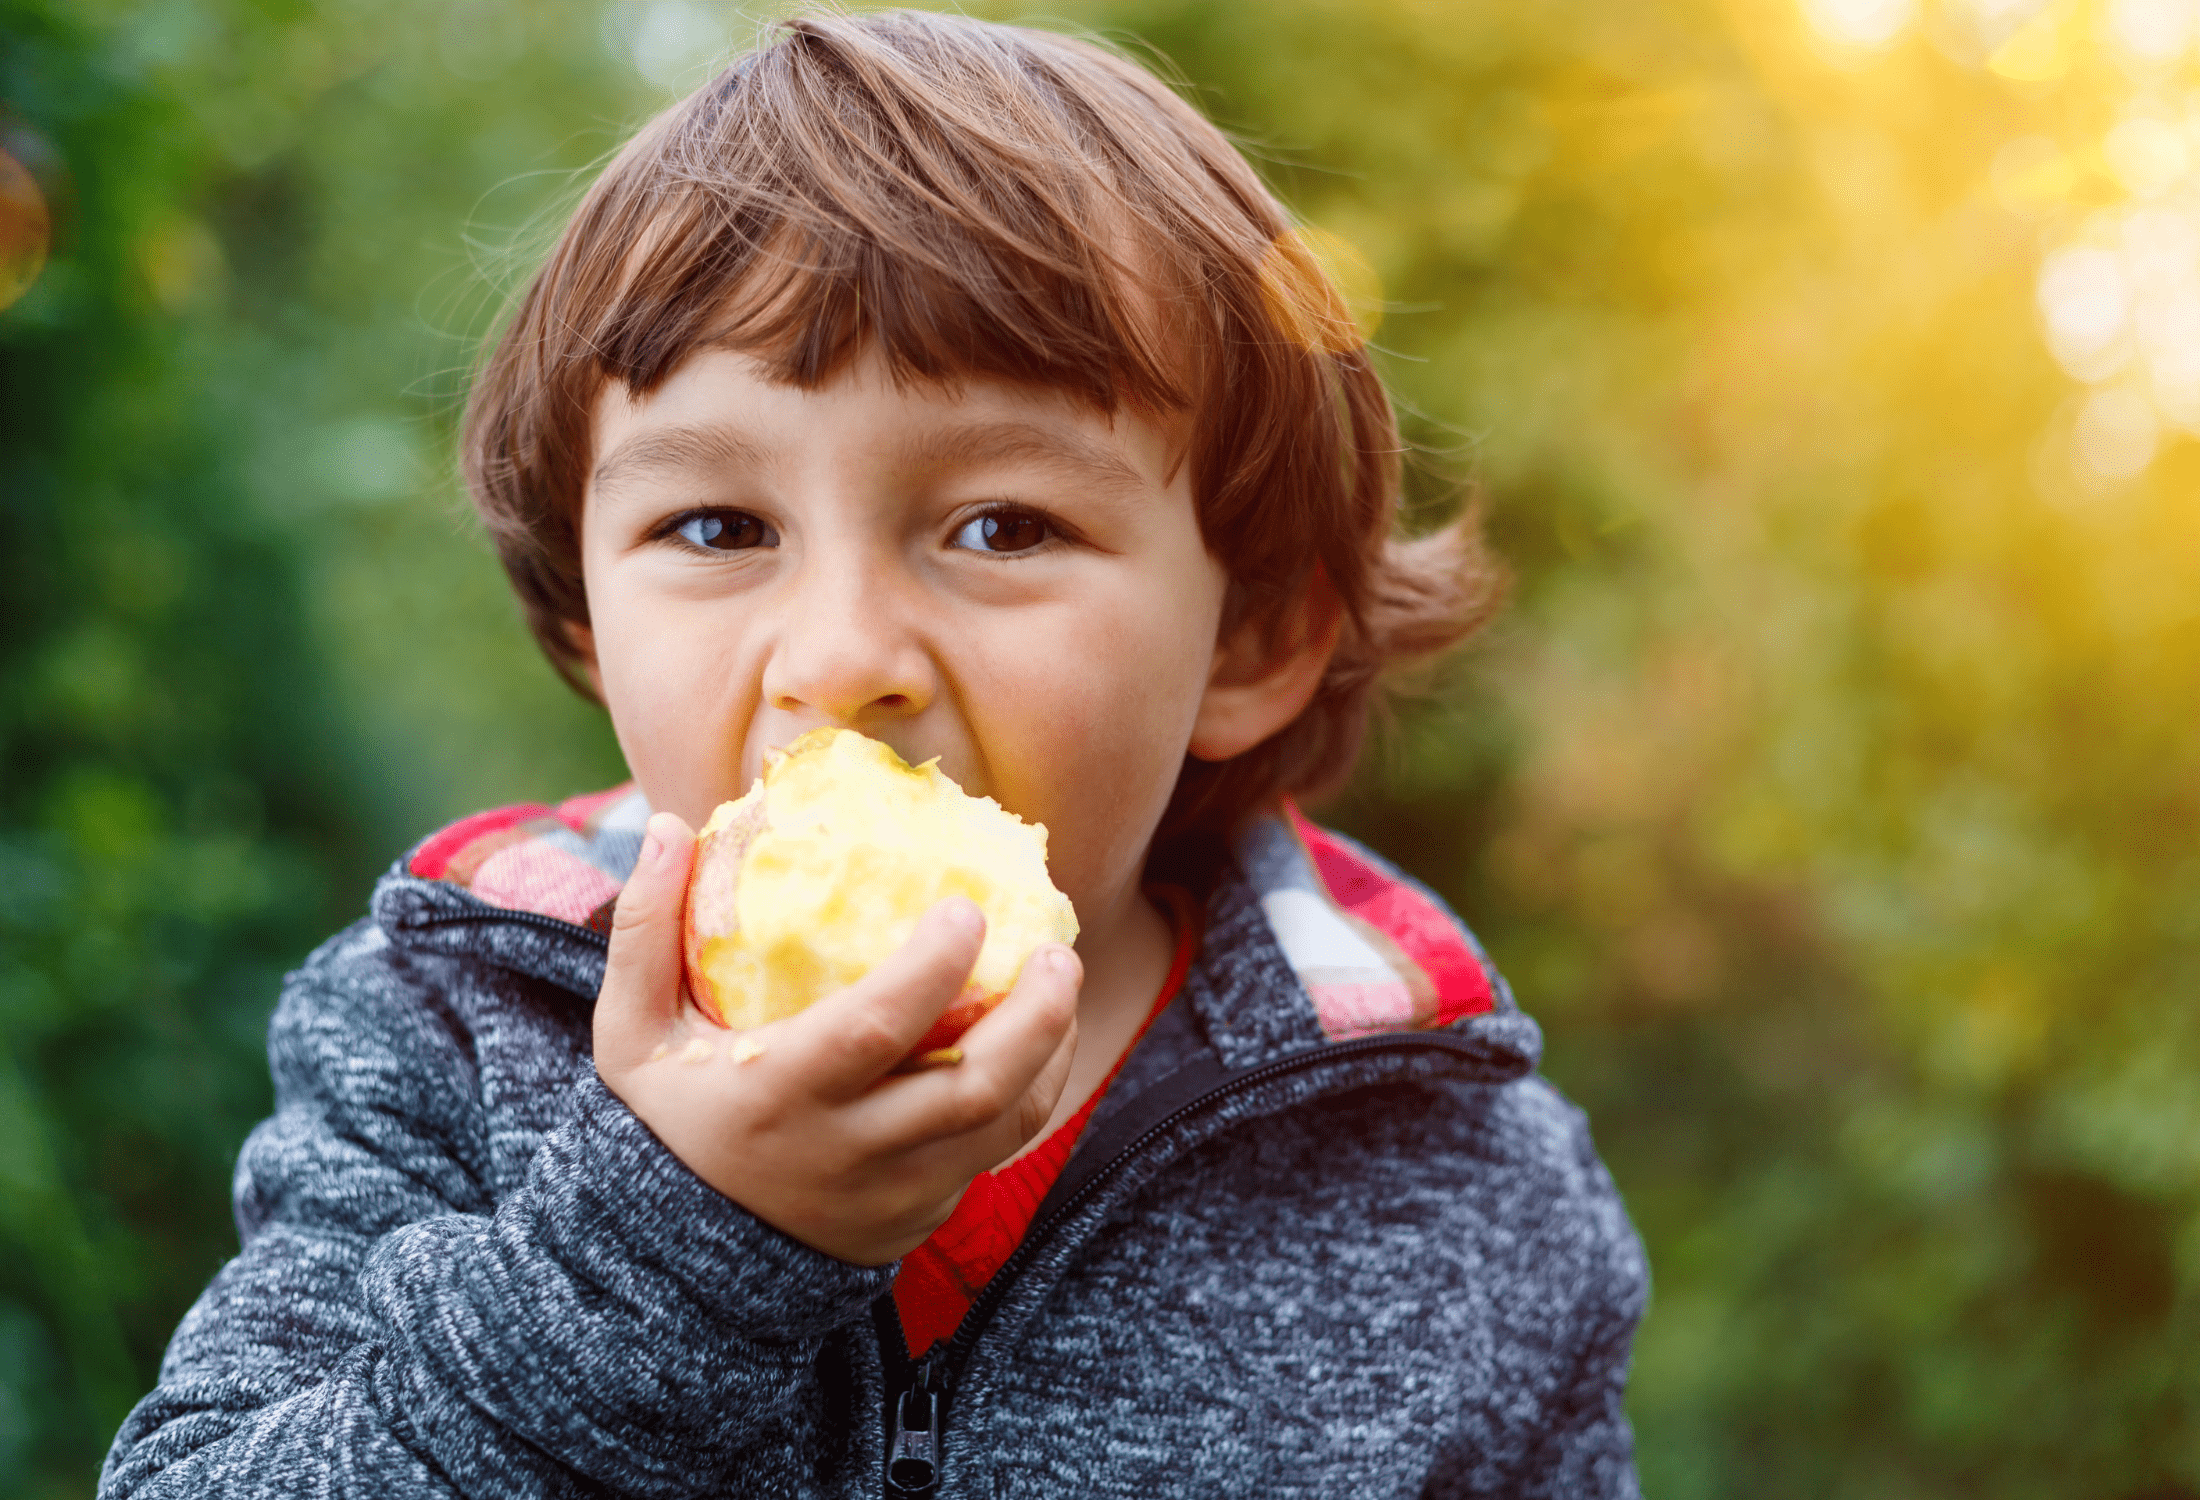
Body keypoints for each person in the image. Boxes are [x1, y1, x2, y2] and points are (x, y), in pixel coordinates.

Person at [100, 10, 1646, 1497]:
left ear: (1246, 641)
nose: (840, 660)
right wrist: (674, 1244)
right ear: (584, 618)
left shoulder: (1463, 1186)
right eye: (716, 526)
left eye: (1001, 526)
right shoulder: (448, 1033)